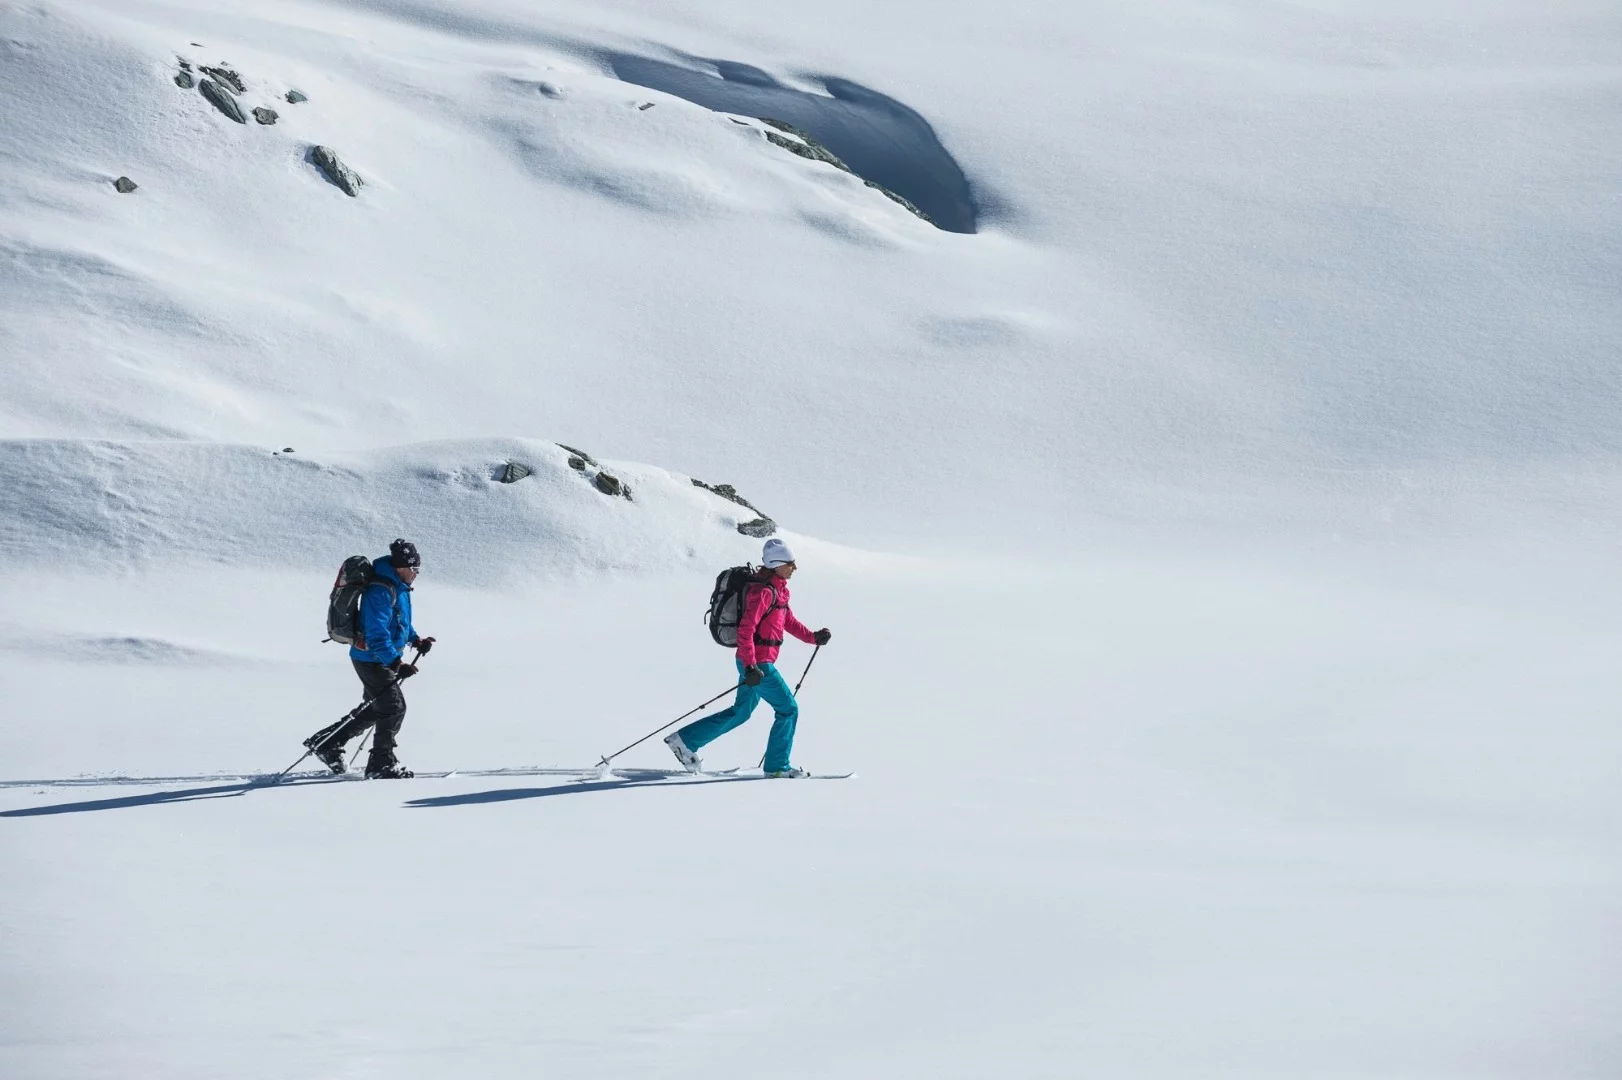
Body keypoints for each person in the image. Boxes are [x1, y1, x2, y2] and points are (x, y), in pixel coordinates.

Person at [666, 538, 831, 777]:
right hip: (758, 665)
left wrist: (813, 637)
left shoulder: (778, 591)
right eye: (790, 563)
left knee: (741, 712)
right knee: (788, 710)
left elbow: (789, 622)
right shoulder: (764, 592)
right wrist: (751, 665)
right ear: (777, 564)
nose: (794, 567)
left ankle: (684, 741)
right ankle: (777, 767)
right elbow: (746, 629)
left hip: (755, 664)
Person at [302, 538, 435, 779]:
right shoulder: (380, 591)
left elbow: (399, 622)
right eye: (414, 568)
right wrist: (396, 663)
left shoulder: (398, 587)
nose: (416, 574)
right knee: (393, 707)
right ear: (401, 567)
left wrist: (416, 640)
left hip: (379, 657)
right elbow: (376, 634)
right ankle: (381, 763)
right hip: (371, 658)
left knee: (377, 707)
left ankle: (328, 742)